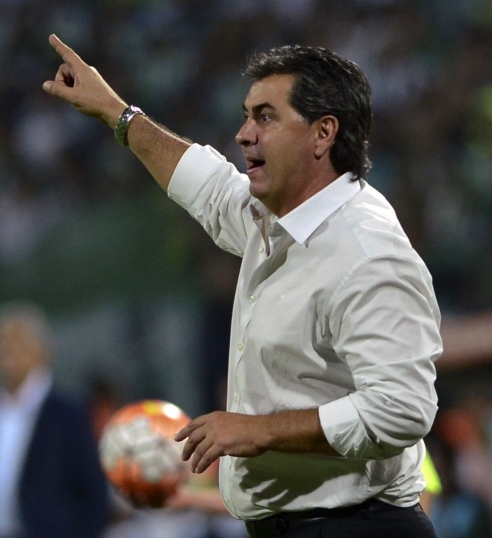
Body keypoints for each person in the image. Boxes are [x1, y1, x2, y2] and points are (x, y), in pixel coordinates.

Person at [42, 34, 441, 538]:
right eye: (247, 116)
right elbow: (209, 187)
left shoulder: (367, 252)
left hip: (358, 527)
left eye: (266, 117)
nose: (244, 134)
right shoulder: (277, 217)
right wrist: (117, 114)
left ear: (323, 134)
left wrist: (260, 431)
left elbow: (401, 409)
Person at [0, 301, 110, 538]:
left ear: (42, 351)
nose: (6, 349)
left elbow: (93, 496)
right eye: (0, 341)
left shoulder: (67, 415)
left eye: (17, 341)